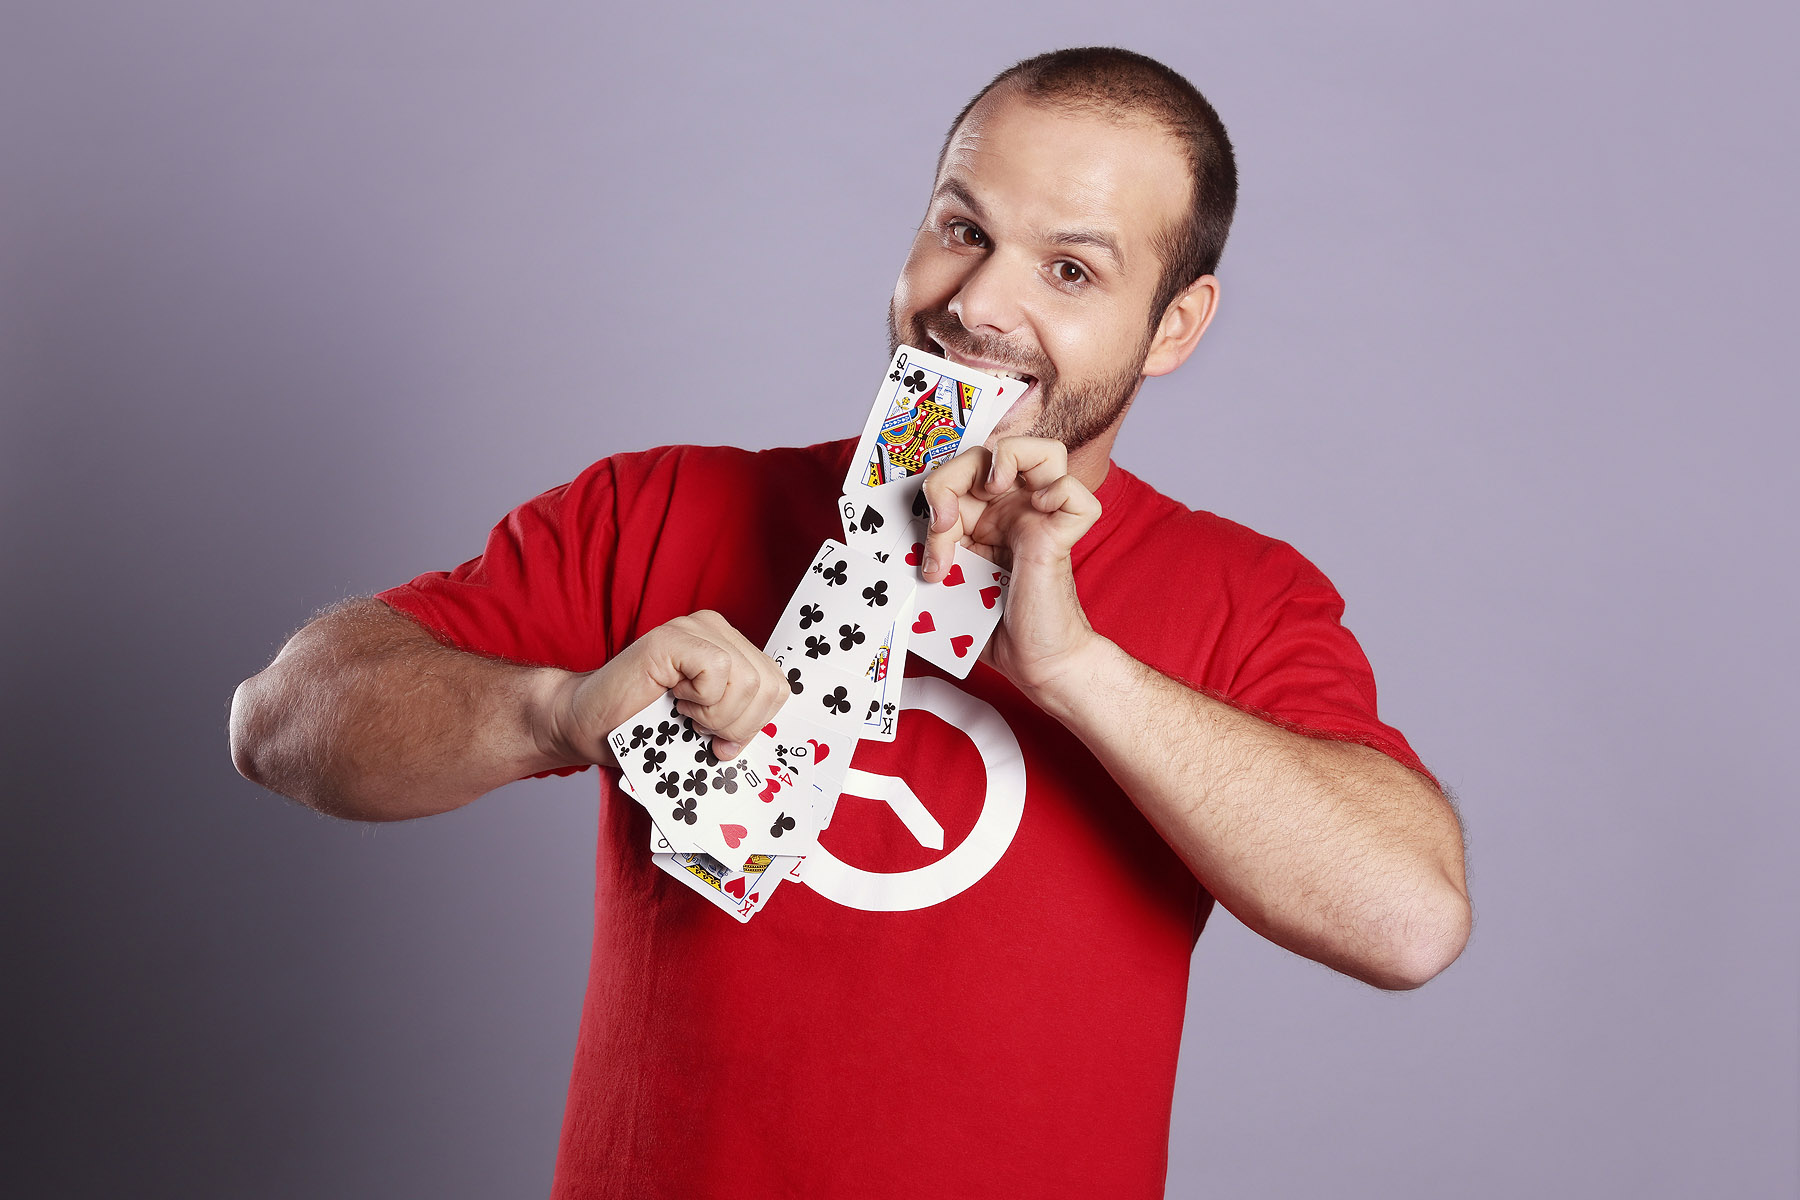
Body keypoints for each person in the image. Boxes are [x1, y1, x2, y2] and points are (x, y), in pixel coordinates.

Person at [231, 46, 1470, 1198]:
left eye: (1071, 270)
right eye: (962, 229)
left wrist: (1078, 670)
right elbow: (279, 725)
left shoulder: (1243, 593)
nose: (980, 304)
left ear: (1175, 325)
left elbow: (1409, 923)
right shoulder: (659, 509)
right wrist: (553, 712)